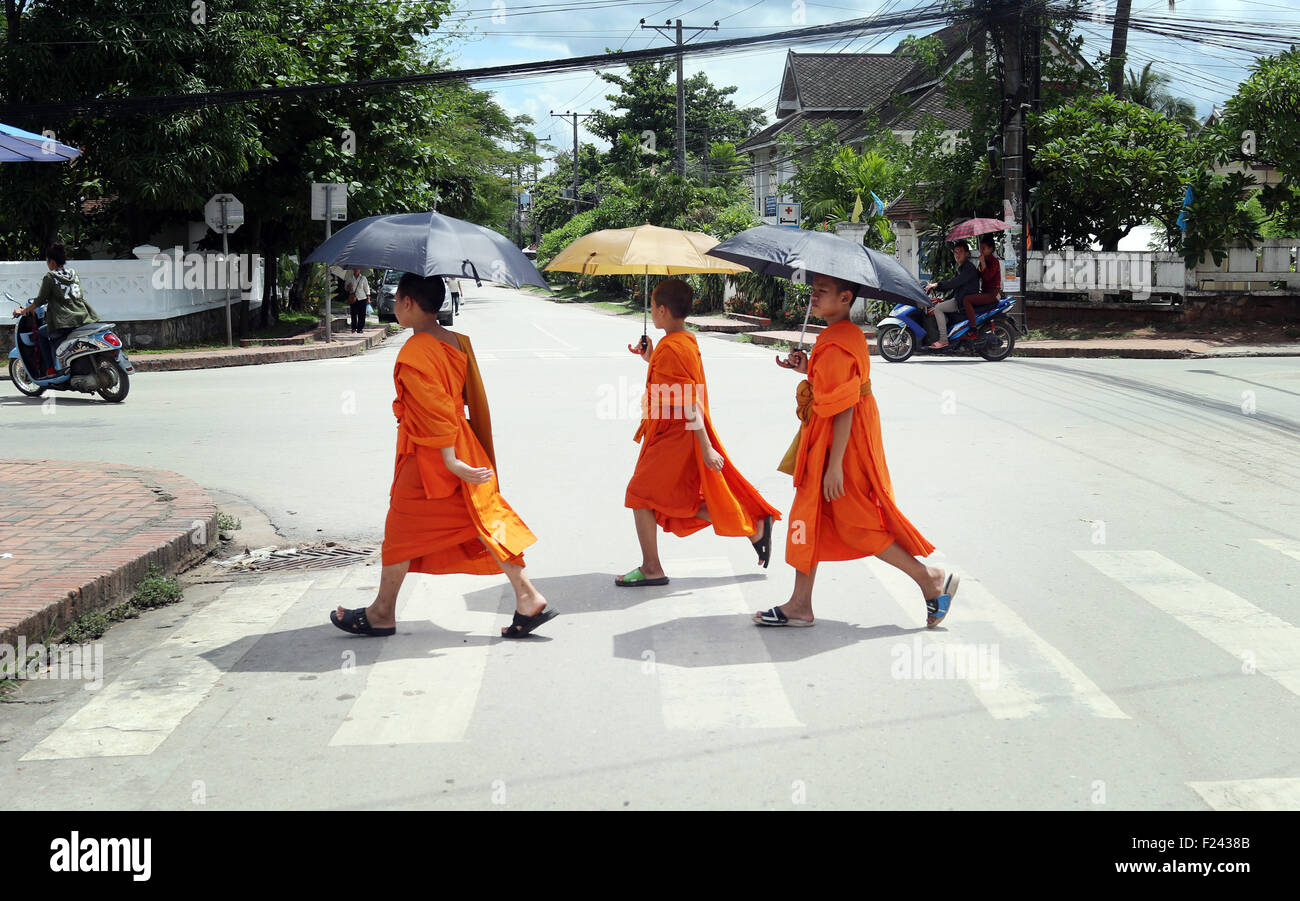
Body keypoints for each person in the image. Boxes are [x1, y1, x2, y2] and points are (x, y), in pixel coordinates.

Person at [330, 274, 556, 639]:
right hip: (458, 444)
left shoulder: (416, 349)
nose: (395, 306)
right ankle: (527, 597)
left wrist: (450, 460)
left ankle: (382, 612)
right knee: (481, 519)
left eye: (398, 299)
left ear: (407, 303)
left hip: (433, 457)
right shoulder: (453, 340)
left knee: (403, 530)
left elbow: (435, 409)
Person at [755, 273, 958, 628]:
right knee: (812, 514)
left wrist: (835, 467)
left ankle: (929, 577)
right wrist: (807, 369)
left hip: (841, 444)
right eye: (813, 291)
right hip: (832, 436)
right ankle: (800, 603)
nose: (813, 298)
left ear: (846, 297)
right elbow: (833, 388)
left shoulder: (838, 341)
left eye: (822, 292)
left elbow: (845, 406)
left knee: (857, 525)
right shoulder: (837, 337)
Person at [617, 278, 781, 586]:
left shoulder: (674, 349)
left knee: (639, 496)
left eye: (652, 306)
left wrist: (706, 446)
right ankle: (754, 527)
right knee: (679, 502)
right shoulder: (682, 341)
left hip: (676, 436)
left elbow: (689, 401)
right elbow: (674, 387)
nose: (651, 311)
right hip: (675, 433)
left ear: (663, 310)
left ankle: (652, 568)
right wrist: (650, 358)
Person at [11, 242, 98, 376]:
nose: (47, 263)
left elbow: (39, 301)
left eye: (47, 260)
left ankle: (51, 369)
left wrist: (22, 311)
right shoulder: (73, 273)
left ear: (51, 261)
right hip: (83, 317)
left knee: (41, 334)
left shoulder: (50, 277)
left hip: (64, 322)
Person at [923, 240, 980, 349]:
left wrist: (936, 285)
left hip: (962, 301)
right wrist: (944, 296)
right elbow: (955, 284)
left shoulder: (968, 268)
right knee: (940, 304)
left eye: (960, 252)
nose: (957, 255)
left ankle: (943, 339)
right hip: (959, 298)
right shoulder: (961, 267)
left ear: (966, 253)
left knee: (938, 308)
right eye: (955, 252)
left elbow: (954, 283)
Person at [963, 235, 1003, 329]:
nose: (981, 251)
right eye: (981, 248)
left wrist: (983, 263)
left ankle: (973, 328)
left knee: (967, 300)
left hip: (992, 294)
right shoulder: (984, 260)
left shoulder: (994, 262)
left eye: (984, 248)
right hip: (985, 291)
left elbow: (987, 277)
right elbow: (977, 274)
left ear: (991, 249)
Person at [345, 267, 371, 333]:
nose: (356, 270)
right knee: (353, 314)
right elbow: (346, 288)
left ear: (360, 270)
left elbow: (366, 288)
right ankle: (354, 327)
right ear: (353, 269)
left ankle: (360, 328)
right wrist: (349, 287)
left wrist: (368, 297)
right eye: (355, 269)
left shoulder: (363, 278)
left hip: (362, 298)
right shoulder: (349, 278)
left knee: (362, 314)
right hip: (353, 298)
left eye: (358, 269)